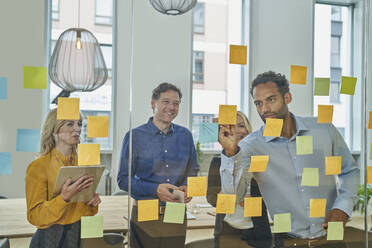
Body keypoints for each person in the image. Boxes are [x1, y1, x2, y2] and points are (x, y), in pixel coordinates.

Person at [219, 71, 359, 248]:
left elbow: (350, 171)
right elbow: (234, 195)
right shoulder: (251, 146)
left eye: (271, 99)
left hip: (333, 238)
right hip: (287, 241)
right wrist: (231, 153)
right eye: (258, 103)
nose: (264, 110)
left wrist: (342, 207)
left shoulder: (323, 129)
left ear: (287, 97)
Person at [117, 82, 199, 248]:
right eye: (166, 101)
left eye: (176, 103)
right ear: (153, 103)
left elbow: (193, 170)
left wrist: (187, 187)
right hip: (146, 210)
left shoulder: (185, 136)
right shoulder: (134, 136)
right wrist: (155, 189)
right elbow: (123, 179)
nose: (172, 107)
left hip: (176, 210)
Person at [25, 108, 101, 248]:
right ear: (55, 129)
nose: (77, 129)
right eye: (70, 124)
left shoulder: (83, 164)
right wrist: (63, 198)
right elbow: (34, 216)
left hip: (79, 234)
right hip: (50, 238)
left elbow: (87, 213)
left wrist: (91, 204)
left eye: (79, 123)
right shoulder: (38, 167)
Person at [207, 111, 272, 248]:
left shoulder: (260, 159)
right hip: (227, 230)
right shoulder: (218, 162)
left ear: (248, 130)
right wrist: (233, 198)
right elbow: (212, 199)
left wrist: (253, 200)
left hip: (258, 230)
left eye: (241, 126)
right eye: (231, 127)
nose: (237, 131)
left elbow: (273, 195)